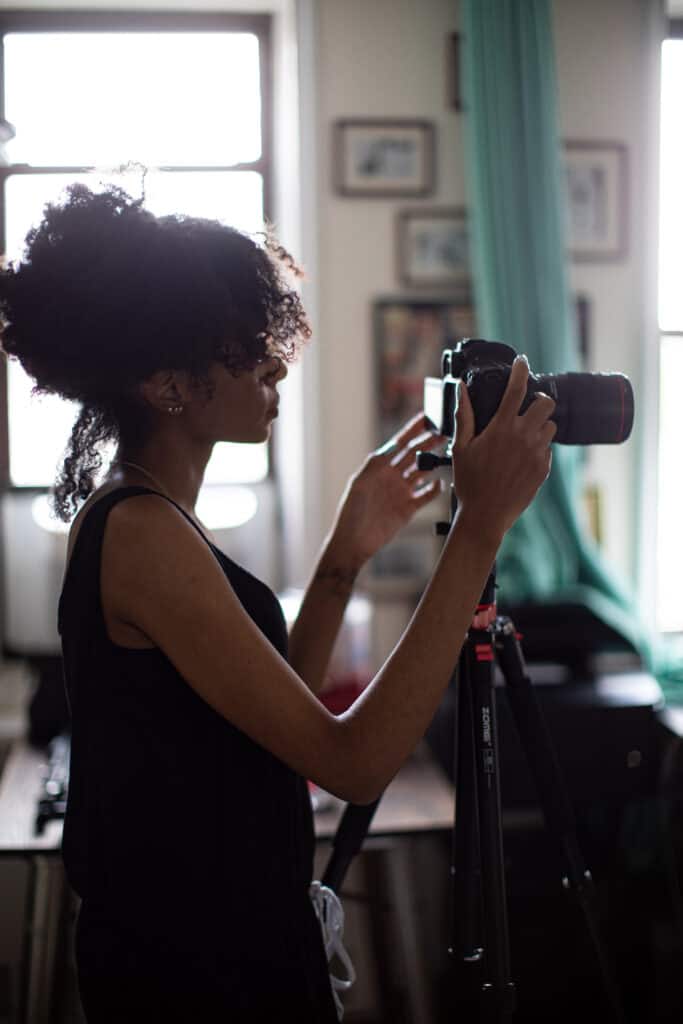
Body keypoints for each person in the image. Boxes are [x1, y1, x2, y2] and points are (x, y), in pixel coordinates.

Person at [0, 184, 556, 1023]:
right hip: (200, 979)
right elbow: (352, 761)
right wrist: (477, 530)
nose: (275, 360)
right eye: (240, 341)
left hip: (218, 954)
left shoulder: (146, 516)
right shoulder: (142, 533)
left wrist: (341, 560)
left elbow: (270, 732)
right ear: (166, 384)